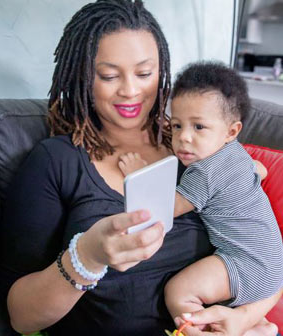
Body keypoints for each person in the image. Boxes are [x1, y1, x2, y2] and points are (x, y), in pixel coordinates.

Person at [0, 0, 281, 336]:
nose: (130, 91)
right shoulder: (56, 162)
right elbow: (21, 317)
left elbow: (263, 253)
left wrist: (245, 319)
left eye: (144, 73)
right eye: (108, 75)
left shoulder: (199, 148)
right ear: (83, 78)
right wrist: (87, 256)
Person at [118, 62, 283, 329]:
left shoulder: (204, 173)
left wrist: (143, 172)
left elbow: (166, 208)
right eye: (177, 126)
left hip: (246, 263)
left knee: (179, 292)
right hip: (273, 260)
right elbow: (261, 171)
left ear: (231, 131)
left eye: (198, 128)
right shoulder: (238, 153)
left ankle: (200, 330)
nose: (184, 138)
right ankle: (259, 328)